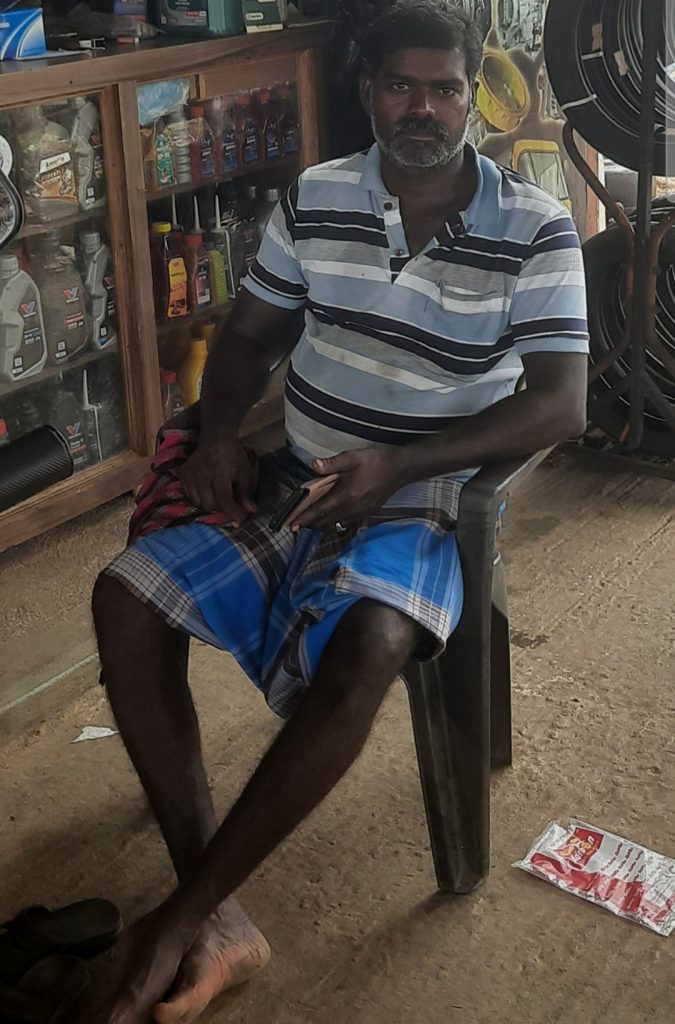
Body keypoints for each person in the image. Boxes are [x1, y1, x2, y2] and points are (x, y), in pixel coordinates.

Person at [91, 1, 589, 1020]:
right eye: (400, 85)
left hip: (426, 494)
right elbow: (247, 337)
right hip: (298, 473)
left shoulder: (533, 226)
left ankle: (179, 920)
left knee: (370, 645)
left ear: (474, 99)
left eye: (444, 89)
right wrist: (220, 435)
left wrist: (397, 463)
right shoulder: (317, 195)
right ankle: (210, 900)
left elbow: (560, 403)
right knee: (125, 596)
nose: (422, 109)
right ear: (368, 93)